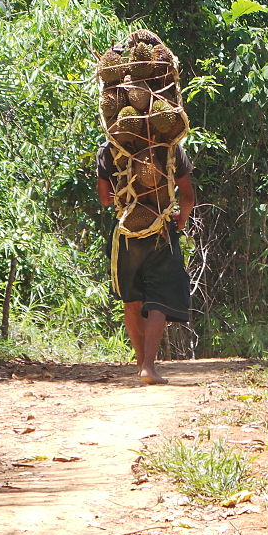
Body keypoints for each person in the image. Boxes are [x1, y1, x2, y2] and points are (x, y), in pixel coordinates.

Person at [96, 142, 194, 385]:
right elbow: (188, 196)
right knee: (158, 299)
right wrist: (182, 218)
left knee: (132, 300)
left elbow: (105, 199)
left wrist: (128, 197)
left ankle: (141, 364)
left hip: (126, 232)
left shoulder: (109, 149)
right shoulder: (171, 148)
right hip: (161, 229)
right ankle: (149, 366)